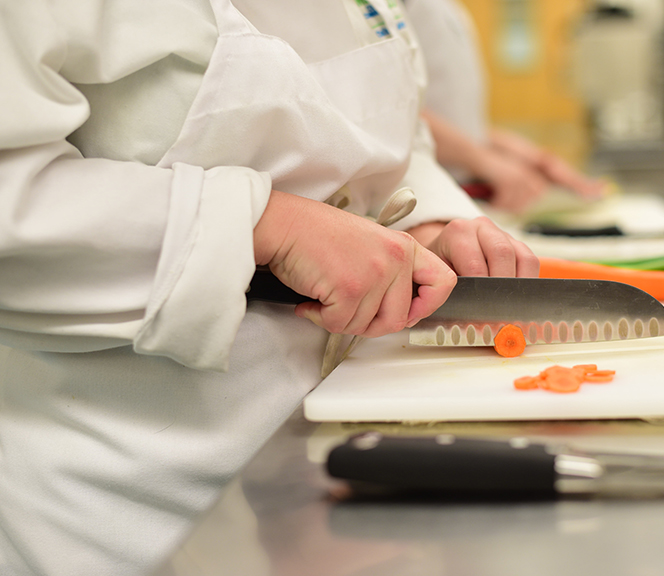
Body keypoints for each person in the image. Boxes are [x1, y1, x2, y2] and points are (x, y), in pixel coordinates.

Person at [0, 1, 539, 575]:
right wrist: (265, 226)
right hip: (136, 501)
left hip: (344, 467)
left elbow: (383, 138)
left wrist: (422, 226)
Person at [404, 0, 607, 214]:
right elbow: (397, 114)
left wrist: (536, 158)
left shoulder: (448, 8)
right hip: (416, 195)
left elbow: (454, 118)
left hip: (451, 188)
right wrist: (484, 161)